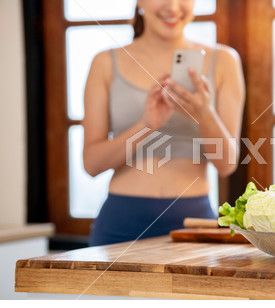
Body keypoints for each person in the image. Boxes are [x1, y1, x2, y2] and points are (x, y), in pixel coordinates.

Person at [83, 0, 245, 246]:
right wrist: (146, 125)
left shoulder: (223, 60)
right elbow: (92, 164)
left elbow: (226, 164)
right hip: (120, 224)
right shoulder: (105, 62)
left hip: (193, 225)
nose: (173, 6)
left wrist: (204, 112)